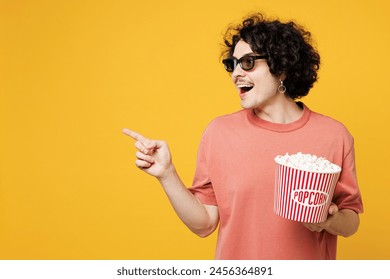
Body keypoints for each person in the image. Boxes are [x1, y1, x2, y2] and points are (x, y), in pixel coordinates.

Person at [123, 13, 363, 259]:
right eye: (232, 64)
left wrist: (328, 220)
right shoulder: (219, 133)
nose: (235, 73)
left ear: (281, 68)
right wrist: (167, 174)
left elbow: (351, 221)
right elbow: (204, 223)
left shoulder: (334, 135)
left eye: (248, 62)